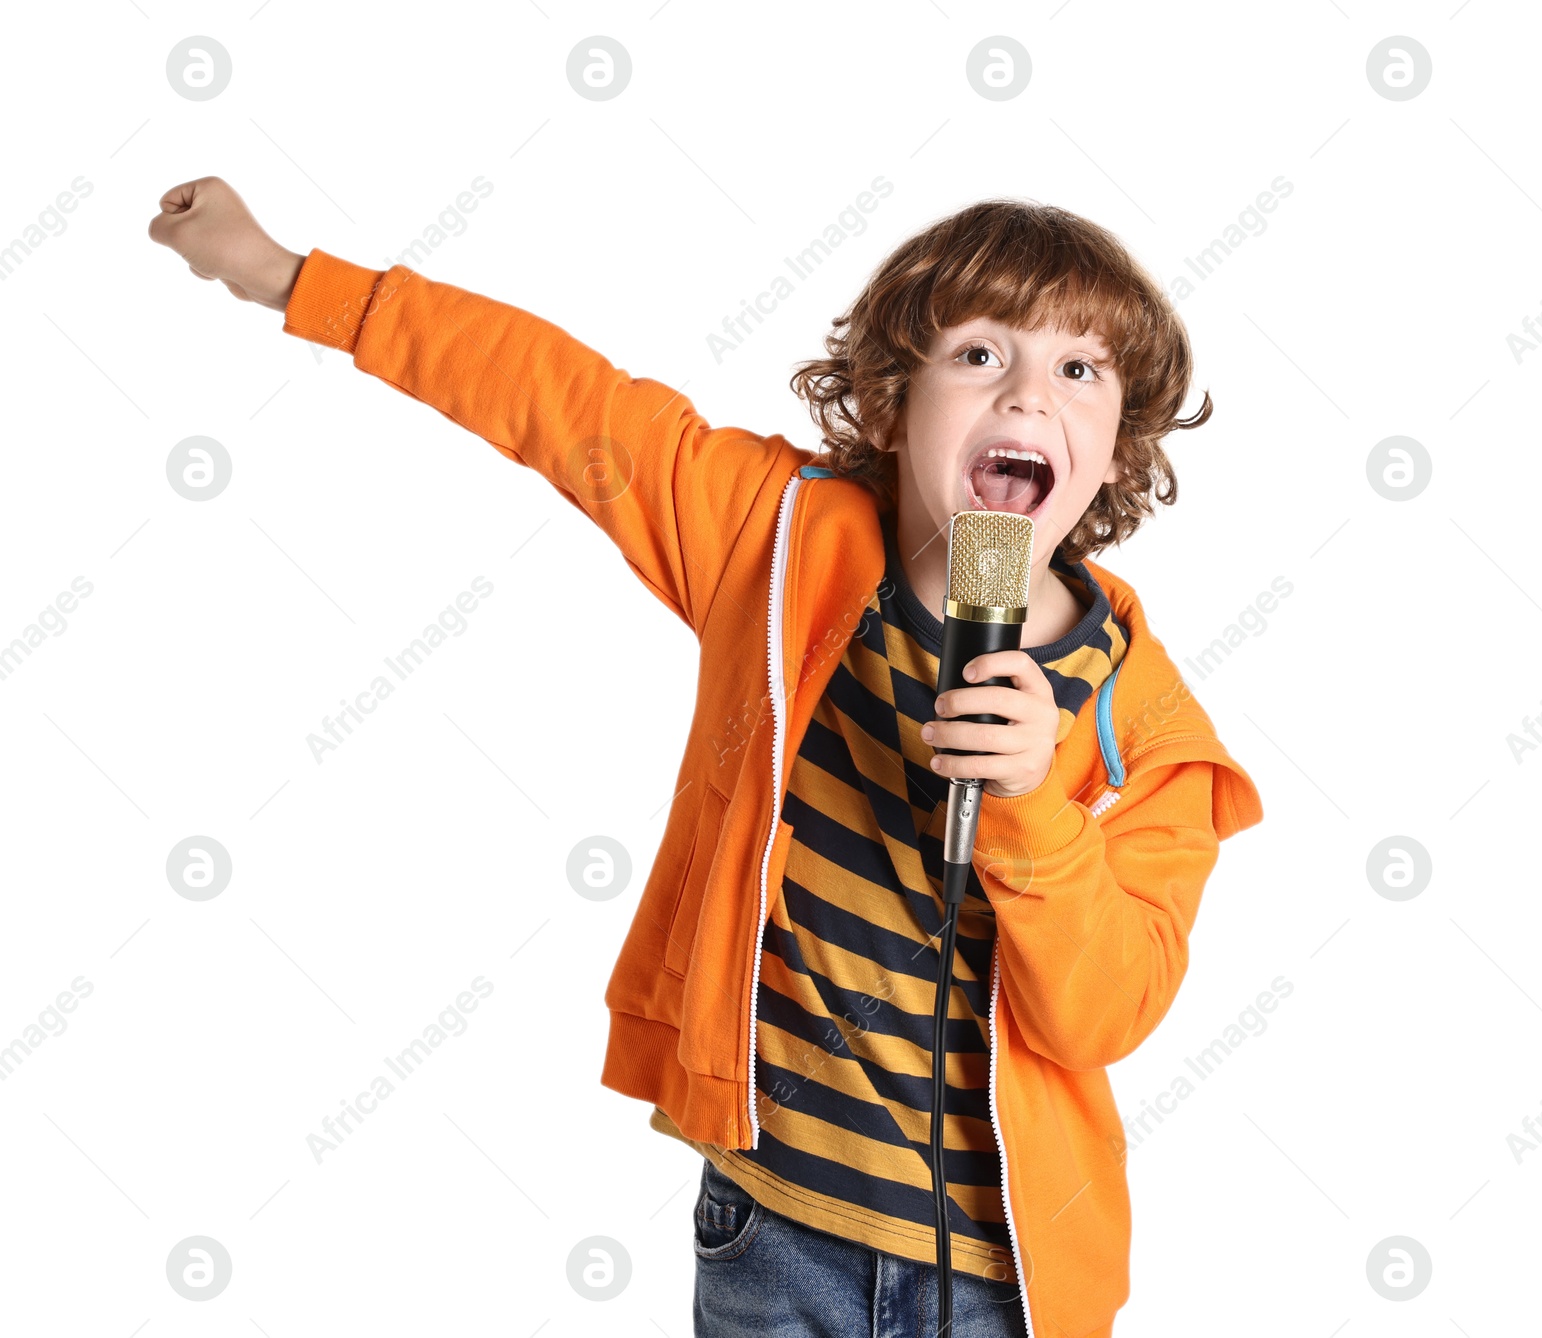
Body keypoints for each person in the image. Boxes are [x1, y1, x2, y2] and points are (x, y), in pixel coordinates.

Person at [149, 179, 1264, 1338]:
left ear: (1118, 444)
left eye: (1080, 370)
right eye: (979, 353)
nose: (1031, 391)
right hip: (772, 1232)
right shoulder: (768, 536)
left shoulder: (1147, 732)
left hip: (996, 1280)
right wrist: (288, 275)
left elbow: (1102, 1015)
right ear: (890, 407)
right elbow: (557, 395)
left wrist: (1034, 807)